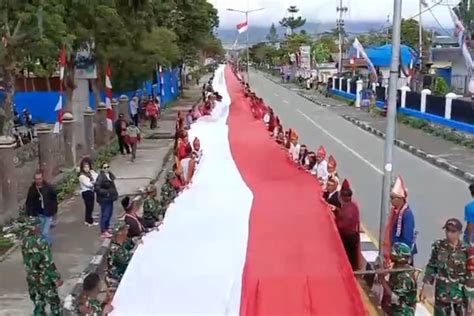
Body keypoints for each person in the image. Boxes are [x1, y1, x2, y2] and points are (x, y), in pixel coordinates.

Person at [420, 218, 474, 316]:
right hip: (442, 293)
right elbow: (432, 266)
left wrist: (470, 299)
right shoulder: (439, 246)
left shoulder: (466, 250)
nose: (449, 234)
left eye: (453, 231)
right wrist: (425, 286)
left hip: (460, 295)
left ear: (459, 232)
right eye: (447, 230)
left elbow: (470, 275)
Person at [20, 216, 63, 315]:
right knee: (54, 303)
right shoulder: (41, 242)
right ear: (34, 227)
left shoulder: (24, 241)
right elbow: (48, 262)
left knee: (38, 302)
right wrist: (56, 278)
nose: (40, 227)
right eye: (38, 225)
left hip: (32, 277)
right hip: (45, 278)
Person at [383, 176, 417, 267]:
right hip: (395, 254)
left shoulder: (407, 215)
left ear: (400, 199)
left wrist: (398, 253)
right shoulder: (395, 212)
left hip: (402, 255)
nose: (391, 201)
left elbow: (407, 239)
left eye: (393, 198)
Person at [380, 242, 417, 316]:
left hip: (402, 312)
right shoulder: (397, 268)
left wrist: (382, 279)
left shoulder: (405, 277)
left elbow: (395, 298)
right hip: (394, 310)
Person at [25, 170, 58, 245]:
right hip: (39, 213)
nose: (38, 180)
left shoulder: (48, 188)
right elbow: (29, 202)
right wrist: (29, 213)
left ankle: (48, 245)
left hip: (48, 213)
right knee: (42, 231)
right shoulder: (32, 189)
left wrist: (54, 211)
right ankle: (48, 243)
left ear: (42, 178)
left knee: (44, 232)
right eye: (36, 179)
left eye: (39, 178)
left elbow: (54, 199)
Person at [335, 179, 360, 270]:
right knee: (352, 260)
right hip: (353, 237)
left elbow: (342, 225)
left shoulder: (346, 209)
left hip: (347, 238)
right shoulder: (353, 206)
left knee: (348, 259)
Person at [105, 222, 135, 289]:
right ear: (120, 233)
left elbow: (131, 245)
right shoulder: (115, 249)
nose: (127, 232)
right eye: (125, 230)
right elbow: (126, 261)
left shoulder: (122, 242)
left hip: (122, 272)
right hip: (116, 278)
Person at [95, 163, 119, 238]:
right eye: (104, 167)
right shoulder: (101, 177)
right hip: (104, 199)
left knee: (109, 213)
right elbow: (97, 188)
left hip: (110, 198)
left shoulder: (110, 175)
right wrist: (106, 193)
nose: (106, 169)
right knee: (105, 214)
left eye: (108, 167)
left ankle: (107, 228)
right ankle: (103, 231)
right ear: (102, 169)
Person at [79, 158, 98, 227]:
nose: (87, 169)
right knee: (89, 207)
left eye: (88, 167)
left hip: (91, 191)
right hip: (86, 192)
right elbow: (88, 184)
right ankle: (90, 221)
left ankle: (87, 220)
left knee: (90, 207)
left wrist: (93, 173)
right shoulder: (82, 176)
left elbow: (96, 177)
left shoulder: (89, 173)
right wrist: (93, 183)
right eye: (85, 167)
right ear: (82, 168)